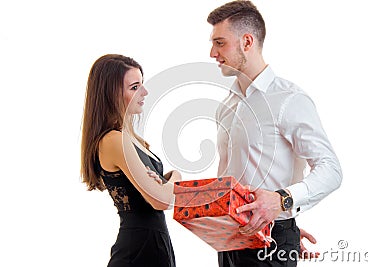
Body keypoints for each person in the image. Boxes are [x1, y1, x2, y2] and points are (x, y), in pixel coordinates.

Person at [208, 1, 342, 266]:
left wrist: (282, 207)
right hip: (229, 239)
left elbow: (331, 169)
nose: (212, 52)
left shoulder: (289, 100)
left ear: (247, 42)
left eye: (220, 42)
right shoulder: (227, 105)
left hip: (272, 241)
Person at [80, 54, 181, 267]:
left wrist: (166, 182)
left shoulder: (131, 139)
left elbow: (160, 192)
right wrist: (176, 178)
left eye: (141, 85)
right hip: (140, 250)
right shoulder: (113, 140)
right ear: (111, 94)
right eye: (135, 87)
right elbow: (161, 200)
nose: (144, 92)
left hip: (152, 244)